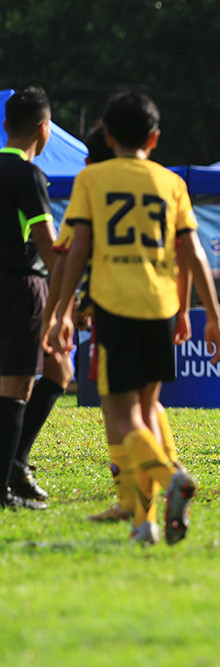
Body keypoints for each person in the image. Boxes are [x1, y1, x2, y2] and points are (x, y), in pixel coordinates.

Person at [52, 91, 220, 545]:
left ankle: (172, 476)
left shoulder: (93, 179)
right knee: (148, 412)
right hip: (161, 307)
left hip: (116, 306)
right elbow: (192, 252)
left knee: (123, 418)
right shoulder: (171, 183)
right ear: (154, 138)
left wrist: (60, 311)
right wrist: (212, 316)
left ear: (107, 136)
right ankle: (143, 524)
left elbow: (78, 248)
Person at [0, 87, 59, 510]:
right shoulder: (28, 175)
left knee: (58, 367)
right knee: (17, 383)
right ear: (45, 129)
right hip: (21, 287)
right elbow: (47, 245)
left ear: (5, 126)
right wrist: (69, 304)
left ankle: (17, 464)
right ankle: (5, 483)